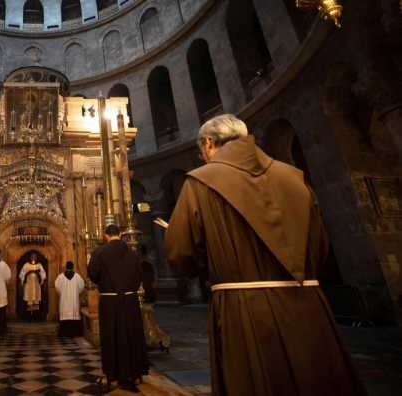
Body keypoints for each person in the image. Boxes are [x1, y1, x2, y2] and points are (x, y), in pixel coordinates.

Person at [164, 114, 366, 396]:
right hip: (309, 305)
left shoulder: (201, 182)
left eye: (201, 151)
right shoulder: (293, 177)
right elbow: (320, 247)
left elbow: (180, 254)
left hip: (243, 308)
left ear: (209, 144)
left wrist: (211, 267)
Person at [88, 225, 149, 393]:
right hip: (130, 300)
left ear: (106, 235)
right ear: (121, 234)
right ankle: (135, 373)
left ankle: (114, 374)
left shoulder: (99, 252)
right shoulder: (133, 253)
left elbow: (93, 274)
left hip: (110, 301)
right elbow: (139, 276)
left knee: (112, 336)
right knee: (132, 335)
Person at [54, 261, 85, 337]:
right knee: (74, 316)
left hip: (64, 301)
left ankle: (64, 333)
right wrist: (76, 292)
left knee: (64, 316)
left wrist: (62, 293)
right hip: (74, 300)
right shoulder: (77, 276)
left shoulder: (60, 277)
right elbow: (81, 287)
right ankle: (75, 333)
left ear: (66, 267)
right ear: (73, 267)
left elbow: (57, 287)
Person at [19, 252, 46, 320]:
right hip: (28, 286)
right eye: (32, 257)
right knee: (28, 300)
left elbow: (43, 275)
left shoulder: (39, 265)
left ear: (36, 258)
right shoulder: (26, 265)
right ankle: (28, 317)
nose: (33, 258)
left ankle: (36, 317)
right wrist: (27, 273)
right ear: (30, 258)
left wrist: (39, 274)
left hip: (36, 286)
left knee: (36, 300)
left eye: (35, 257)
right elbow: (21, 274)